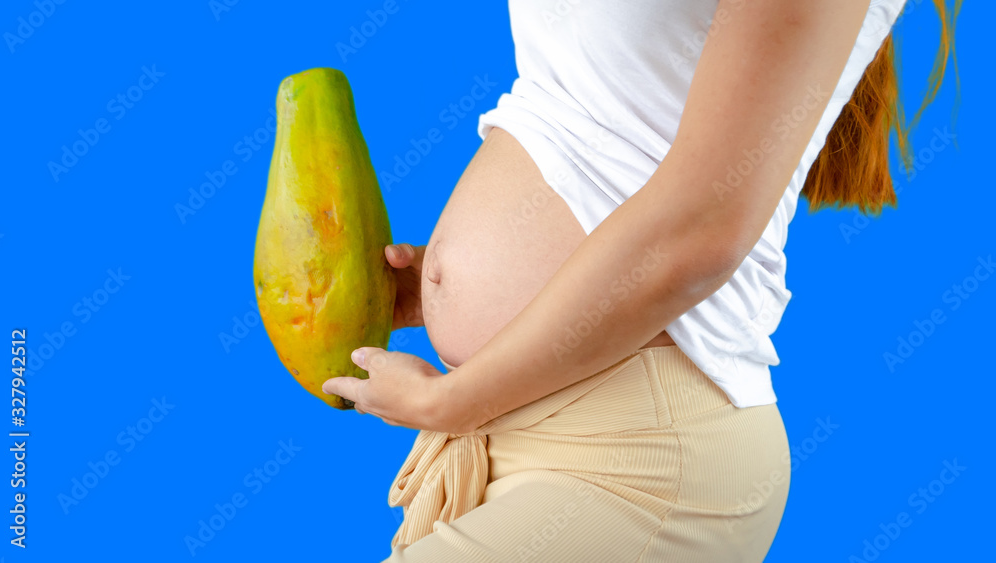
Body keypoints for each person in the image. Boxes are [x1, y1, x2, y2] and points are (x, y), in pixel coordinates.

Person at [322, 0, 959, 560]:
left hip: (635, 459)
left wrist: (450, 402)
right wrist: (473, 285)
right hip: (520, 426)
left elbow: (705, 226)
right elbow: (598, 123)